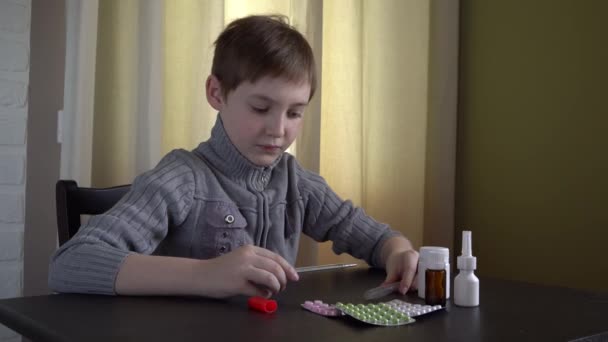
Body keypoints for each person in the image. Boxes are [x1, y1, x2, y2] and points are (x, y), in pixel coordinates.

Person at [49, 14, 419, 299]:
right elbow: (69, 263)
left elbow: (375, 238)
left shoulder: (296, 184)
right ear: (216, 93)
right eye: (261, 108)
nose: (278, 130)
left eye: (294, 113)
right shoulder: (181, 179)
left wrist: (396, 251)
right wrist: (205, 275)